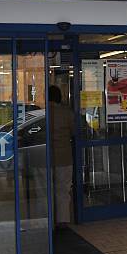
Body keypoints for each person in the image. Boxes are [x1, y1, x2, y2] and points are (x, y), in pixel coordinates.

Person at [48, 85, 74, 227]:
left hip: (42, 157)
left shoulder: (42, 113)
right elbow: (75, 131)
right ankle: (62, 220)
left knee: (44, 191)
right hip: (64, 157)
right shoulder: (66, 113)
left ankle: (46, 219)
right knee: (63, 190)